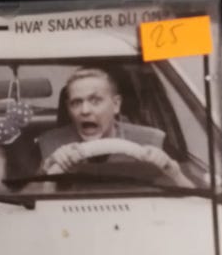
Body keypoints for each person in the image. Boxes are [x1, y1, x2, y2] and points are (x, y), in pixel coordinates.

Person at [37, 67, 193, 187]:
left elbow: (193, 200)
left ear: (116, 104)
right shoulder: (48, 144)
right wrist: (46, 169)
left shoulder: (153, 140)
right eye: (76, 103)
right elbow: (26, 203)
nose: (84, 111)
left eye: (95, 100)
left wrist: (173, 172)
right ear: (68, 108)